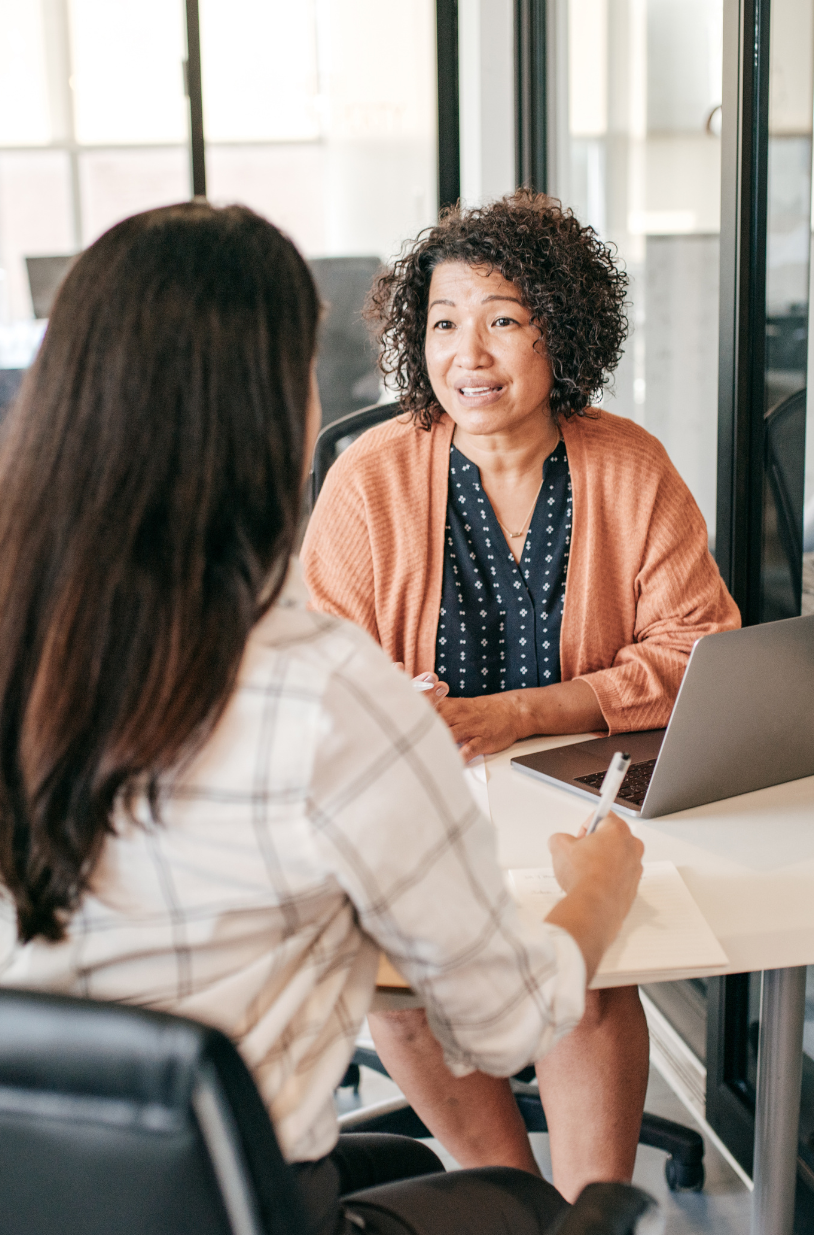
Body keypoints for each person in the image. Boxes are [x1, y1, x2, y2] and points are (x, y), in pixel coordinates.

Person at [0, 201, 645, 1235]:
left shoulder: (25, 646)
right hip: (233, 1203)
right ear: (268, 417)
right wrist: (600, 894)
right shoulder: (327, 692)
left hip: (41, 1192)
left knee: (386, 1152)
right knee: (520, 1200)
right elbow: (505, 1014)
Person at [302, 190, 741, 1199]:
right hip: (420, 799)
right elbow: (316, 670)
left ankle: (592, 1209)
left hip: (577, 790)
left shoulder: (629, 467)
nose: (470, 354)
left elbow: (700, 649)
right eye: (445, 324)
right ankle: (511, 1200)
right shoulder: (367, 480)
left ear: (561, 330)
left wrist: (522, 712)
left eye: (503, 319)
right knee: (400, 986)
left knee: (583, 976)